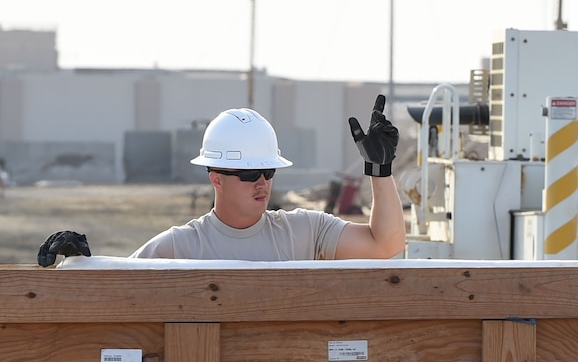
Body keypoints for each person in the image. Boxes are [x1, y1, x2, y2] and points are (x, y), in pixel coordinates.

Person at [36, 95, 404, 265]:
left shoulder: (305, 232)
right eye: (248, 173)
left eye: (268, 171)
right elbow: (116, 287)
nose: (262, 182)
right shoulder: (178, 248)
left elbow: (386, 244)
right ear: (216, 178)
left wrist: (380, 171)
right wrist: (74, 265)